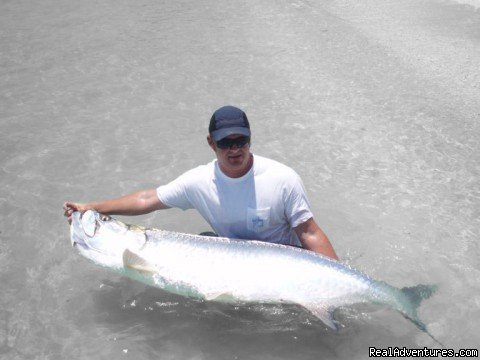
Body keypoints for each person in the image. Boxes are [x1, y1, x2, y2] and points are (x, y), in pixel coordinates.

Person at [64, 106, 338, 260]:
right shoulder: (198, 181)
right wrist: (93, 206)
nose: (234, 150)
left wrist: (339, 276)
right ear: (211, 142)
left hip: (285, 261)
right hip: (230, 256)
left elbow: (309, 233)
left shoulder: (283, 179)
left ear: (250, 139)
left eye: (241, 141)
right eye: (225, 143)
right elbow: (148, 199)